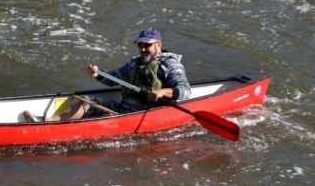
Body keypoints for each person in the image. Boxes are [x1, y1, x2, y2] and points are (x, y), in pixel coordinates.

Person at [23, 28, 191, 122]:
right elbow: (114, 78)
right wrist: (98, 73)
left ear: (159, 44)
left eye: (147, 45)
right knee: (87, 101)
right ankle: (47, 122)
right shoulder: (135, 62)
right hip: (123, 110)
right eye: (140, 45)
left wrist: (162, 92)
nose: (142, 49)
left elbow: (185, 91)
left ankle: (51, 126)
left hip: (146, 116)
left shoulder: (170, 64)